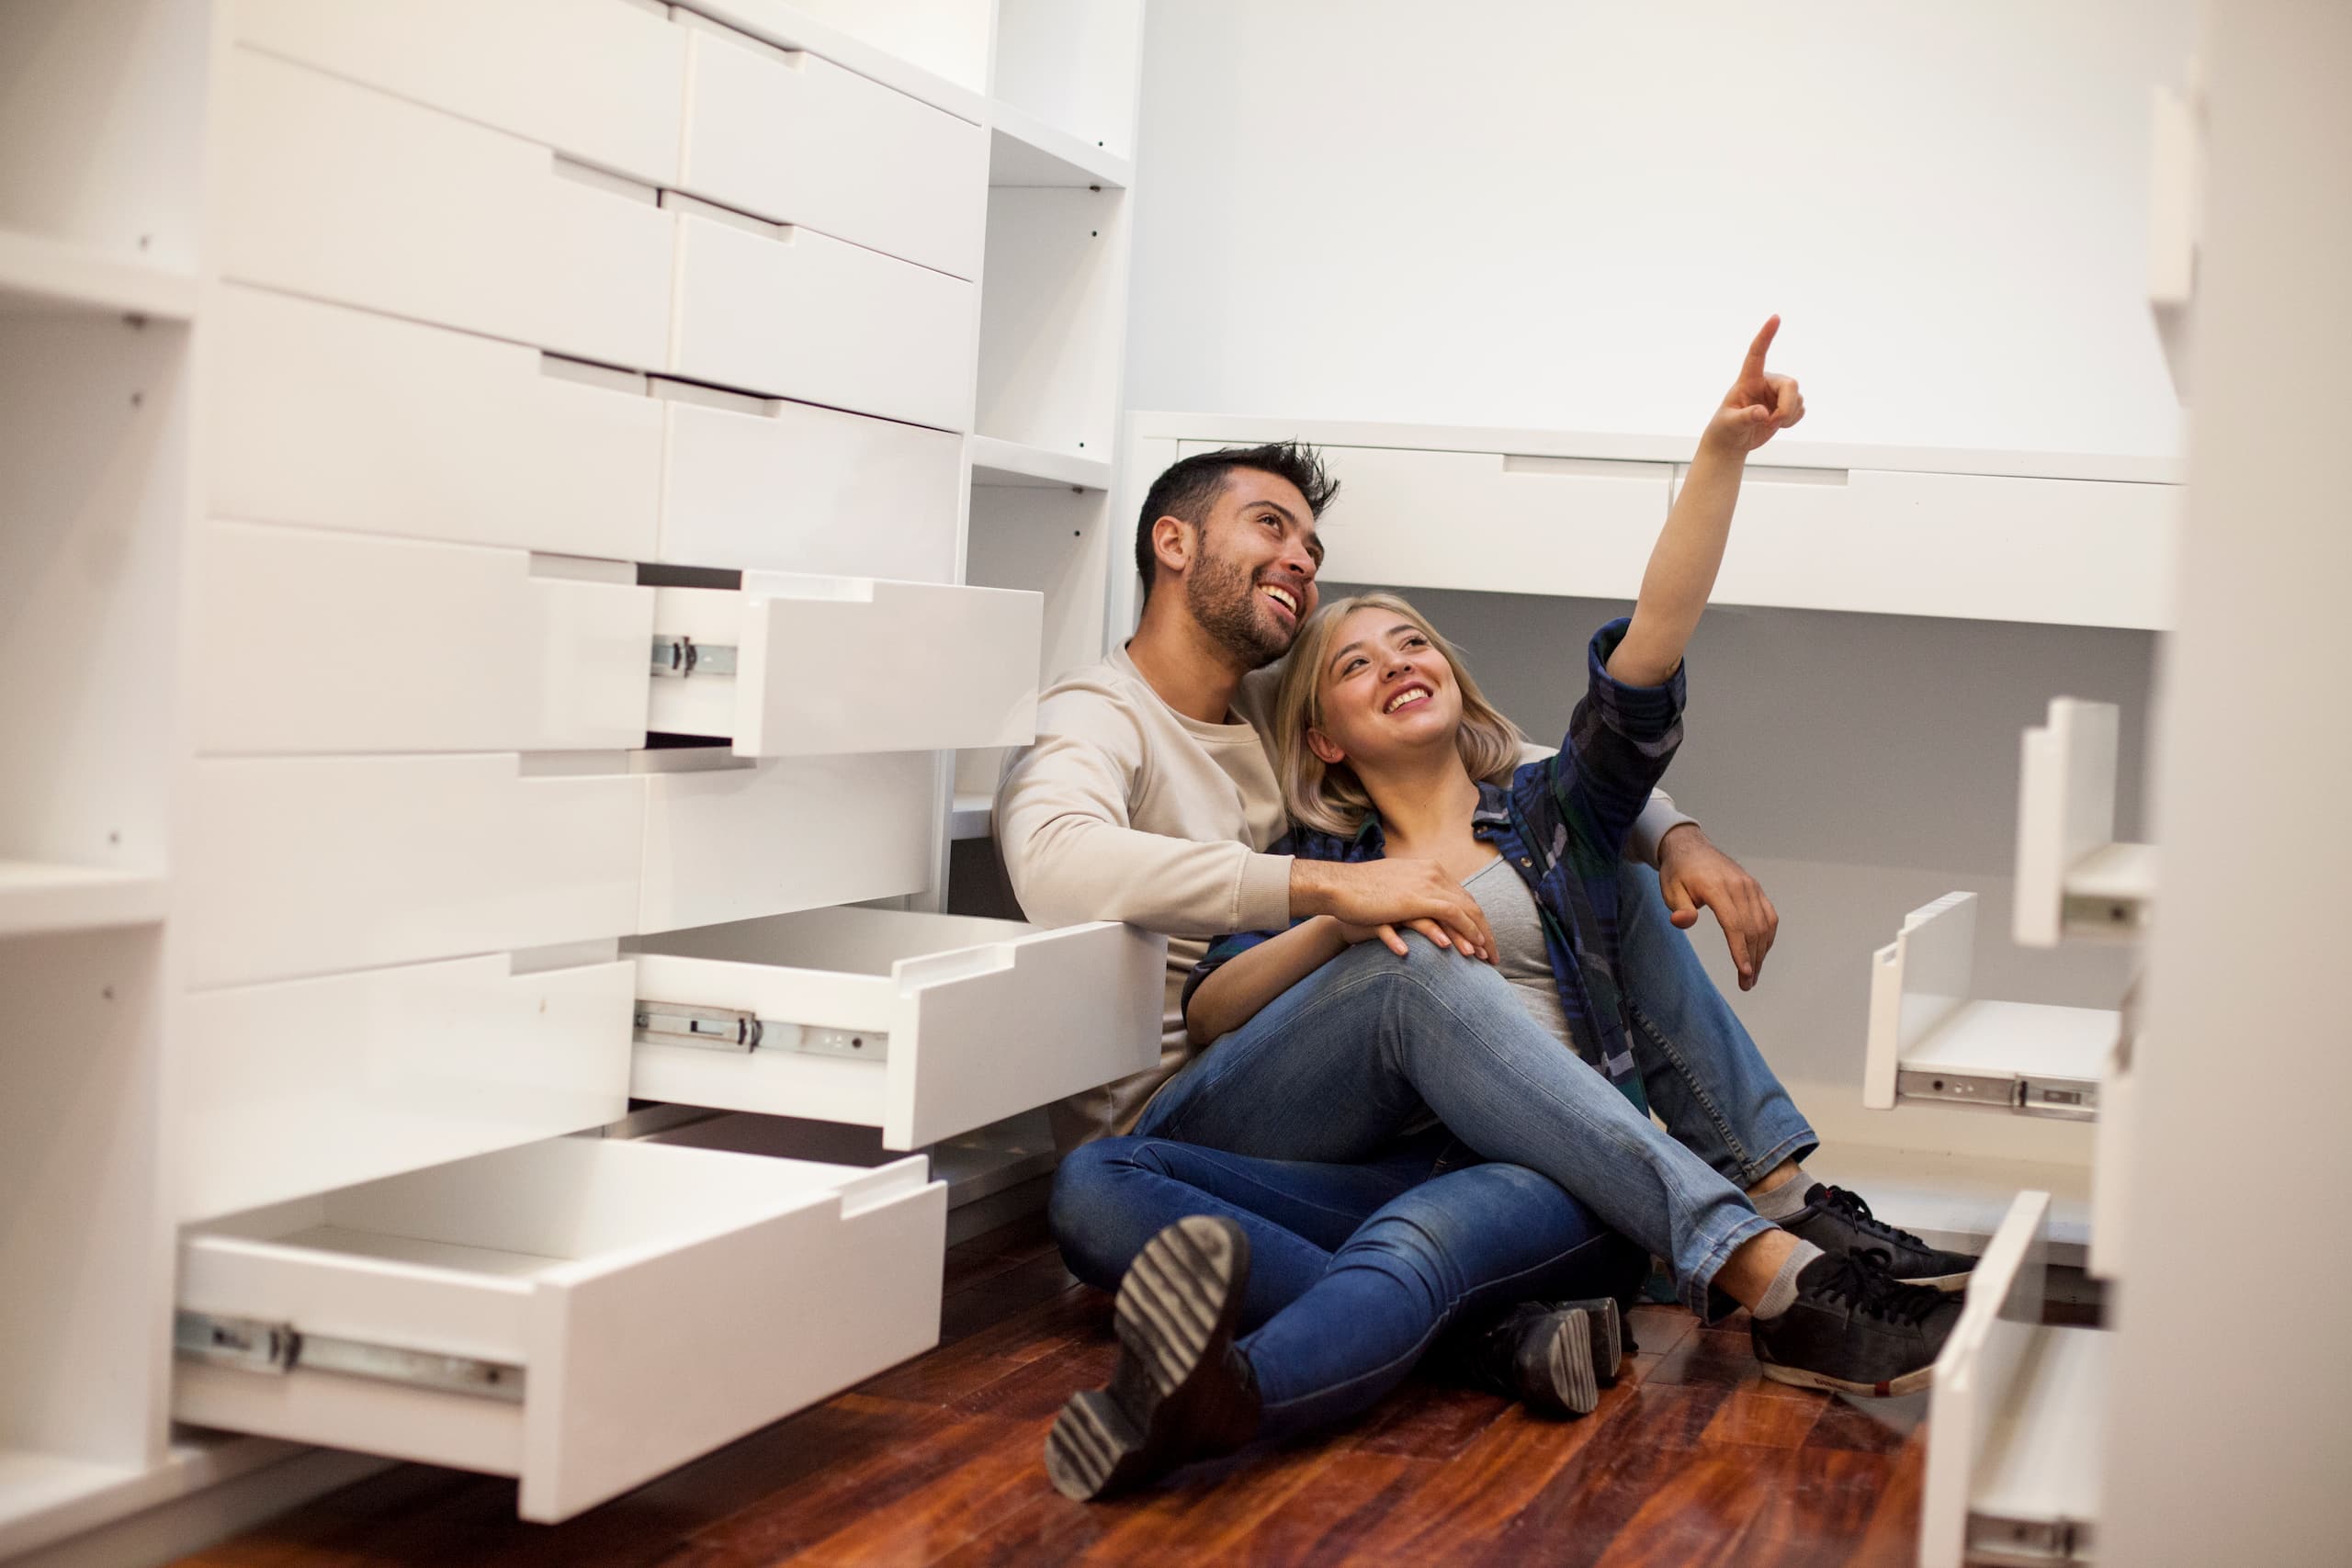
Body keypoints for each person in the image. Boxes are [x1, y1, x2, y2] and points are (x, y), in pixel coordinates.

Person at [999, 321, 1974, 1501]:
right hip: (1355, 1142)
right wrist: (1345, 898)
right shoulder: (1291, 820)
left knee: (1424, 1187)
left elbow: (1626, 683)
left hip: (1546, 1163)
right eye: (1277, 537)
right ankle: (1462, 1349)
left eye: (1406, 641)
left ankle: (1753, 1255)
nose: (1307, 572)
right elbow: (1198, 983)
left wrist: (1716, 468)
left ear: (1453, 682)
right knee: (1094, 1187)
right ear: (1322, 735)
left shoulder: (1540, 810)